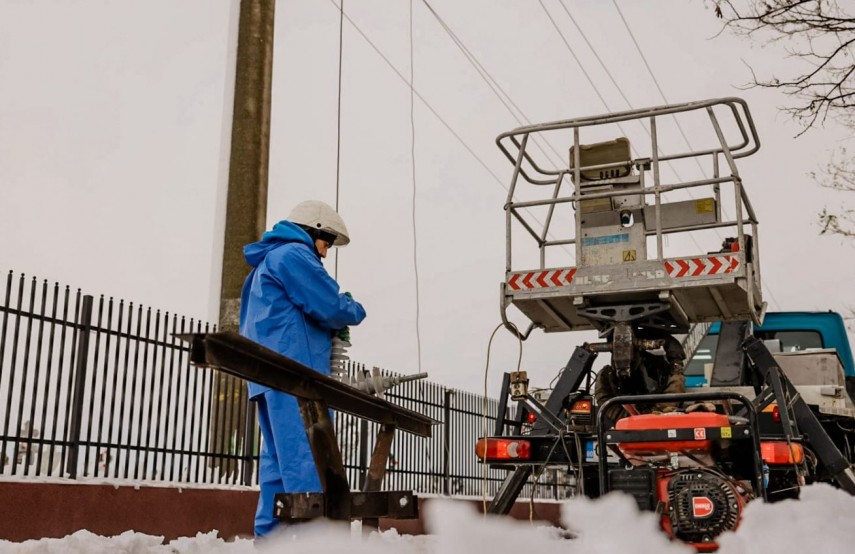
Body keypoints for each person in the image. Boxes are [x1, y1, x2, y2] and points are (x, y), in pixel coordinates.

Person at [239, 200, 367, 537]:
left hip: (269, 376)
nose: (324, 254)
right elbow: (329, 304)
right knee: (307, 463)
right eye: (325, 243)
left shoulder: (267, 262)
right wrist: (353, 308)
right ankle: (308, 541)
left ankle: (270, 540)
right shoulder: (294, 255)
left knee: (277, 468)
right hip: (296, 377)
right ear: (314, 231)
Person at [594, 333, 687, 425]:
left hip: (642, 419)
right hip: (648, 418)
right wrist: (676, 364)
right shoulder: (608, 375)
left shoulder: (657, 367)